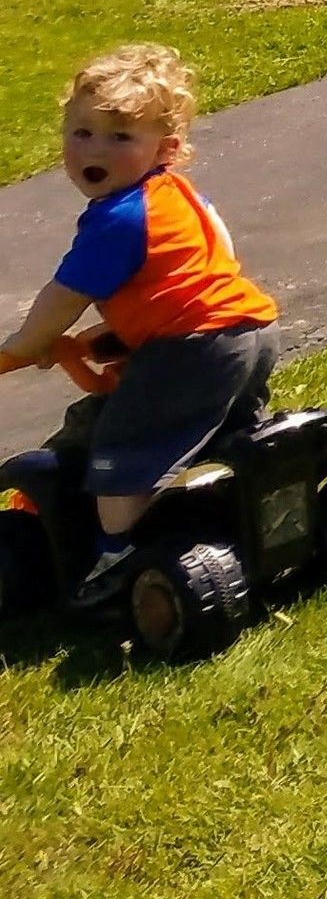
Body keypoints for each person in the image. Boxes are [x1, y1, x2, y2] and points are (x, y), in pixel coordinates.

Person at [0, 45, 280, 609]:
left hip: (193, 347)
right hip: (250, 331)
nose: (94, 150)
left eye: (120, 137)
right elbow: (212, 259)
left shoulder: (118, 218)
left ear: (166, 148)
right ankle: (243, 505)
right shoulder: (176, 195)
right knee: (221, 430)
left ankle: (116, 559)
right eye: (82, 133)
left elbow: (61, 301)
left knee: (120, 452)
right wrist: (110, 339)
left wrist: (20, 349)